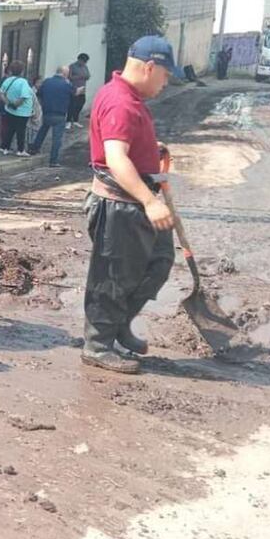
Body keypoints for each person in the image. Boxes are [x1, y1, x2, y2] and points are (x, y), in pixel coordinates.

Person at [83, 36, 182, 374]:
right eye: (165, 76)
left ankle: (120, 324)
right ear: (150, 67)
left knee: (160, 261)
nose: (166, 83)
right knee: (112, 277)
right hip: (122, 205)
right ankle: (98, 345)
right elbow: (115, 158)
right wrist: (149, 201)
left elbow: (124, 143)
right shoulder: (121, 102)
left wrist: (149, 146)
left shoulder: (128, 98)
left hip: (136, 200)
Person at [29, 65, 74, 167]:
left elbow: (39, 93)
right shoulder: (66, 84)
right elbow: (73, 94)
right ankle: (53, 160)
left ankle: (34, 148)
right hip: (60, 114)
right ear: (65, 73)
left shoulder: (47, 82)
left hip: (47, 112)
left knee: (43, 131)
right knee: (57, 138)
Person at [0, 60, 34, 156]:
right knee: (20, 131)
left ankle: (5, 147)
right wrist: (16, 105)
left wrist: (8, 103)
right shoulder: (23, 82)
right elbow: (24, 96)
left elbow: (1, 93)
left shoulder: (8, 80)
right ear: (22, 71)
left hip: (9, 110)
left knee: (10, 129)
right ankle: (20, 150)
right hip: (22, 111)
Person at [67, 53, 91, 129]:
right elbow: (69, 77)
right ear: (79, 60)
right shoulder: (72, 66)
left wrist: (86, 76)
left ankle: (75, 120)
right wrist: (79, 77)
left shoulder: (85, 67)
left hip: (82, 90)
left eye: (85, 62)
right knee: (72, 105)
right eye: (83, 61)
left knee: (81, 103)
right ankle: (68, 121)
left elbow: (88, 75)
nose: (84, 63)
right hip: (74, 89)